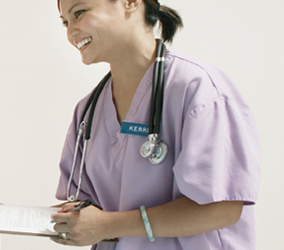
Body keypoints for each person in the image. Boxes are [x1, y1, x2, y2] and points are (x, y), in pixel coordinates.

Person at [49, 0, 260, 249]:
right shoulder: (88, 112)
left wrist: (109, 225)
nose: (71, 31)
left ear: (130, 3)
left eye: (79, 13)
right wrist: (12, 218)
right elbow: (84, 212)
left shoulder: (198, 89)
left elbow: (222, 209)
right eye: (65, 22)